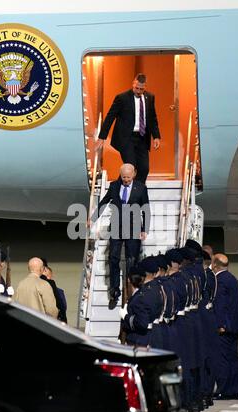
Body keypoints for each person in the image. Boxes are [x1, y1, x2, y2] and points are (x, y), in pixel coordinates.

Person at [90, 163, 150, 309]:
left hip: (134, 228)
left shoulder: (141, 188)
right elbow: (104, 202)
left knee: (132, 260)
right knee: (113, 259)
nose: (126, 180)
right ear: (120, 175)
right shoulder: (114, 186)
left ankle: (131, 292)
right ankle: (114, 291)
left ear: (134, 174)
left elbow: (146, 209)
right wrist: (92, 219)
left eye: (128, 178)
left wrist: (145, 229)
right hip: (116, 227)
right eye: (124, 177)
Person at [95, 73, 161, 183]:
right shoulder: (122, 98)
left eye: (141, 89)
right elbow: (110, 117)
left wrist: (156, 137)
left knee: (144, 168)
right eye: (136, 88)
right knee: (131, 167)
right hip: (126, 138)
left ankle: (137, 192)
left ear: (145, 87)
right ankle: (119, 191)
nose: (139, 91)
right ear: (133, 84)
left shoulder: (150, 97)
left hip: (142, 137)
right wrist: (102, 136)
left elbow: (152, 118)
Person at [212, 253, 238, 400]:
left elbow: (220, 305)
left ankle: (223, 390)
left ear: (214, 265)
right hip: (236, 325)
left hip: (225, 327)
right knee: (233, 358)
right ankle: (236, 390)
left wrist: (220, 325)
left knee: (223, 359)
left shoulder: (219, 281)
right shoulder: (232, 279)